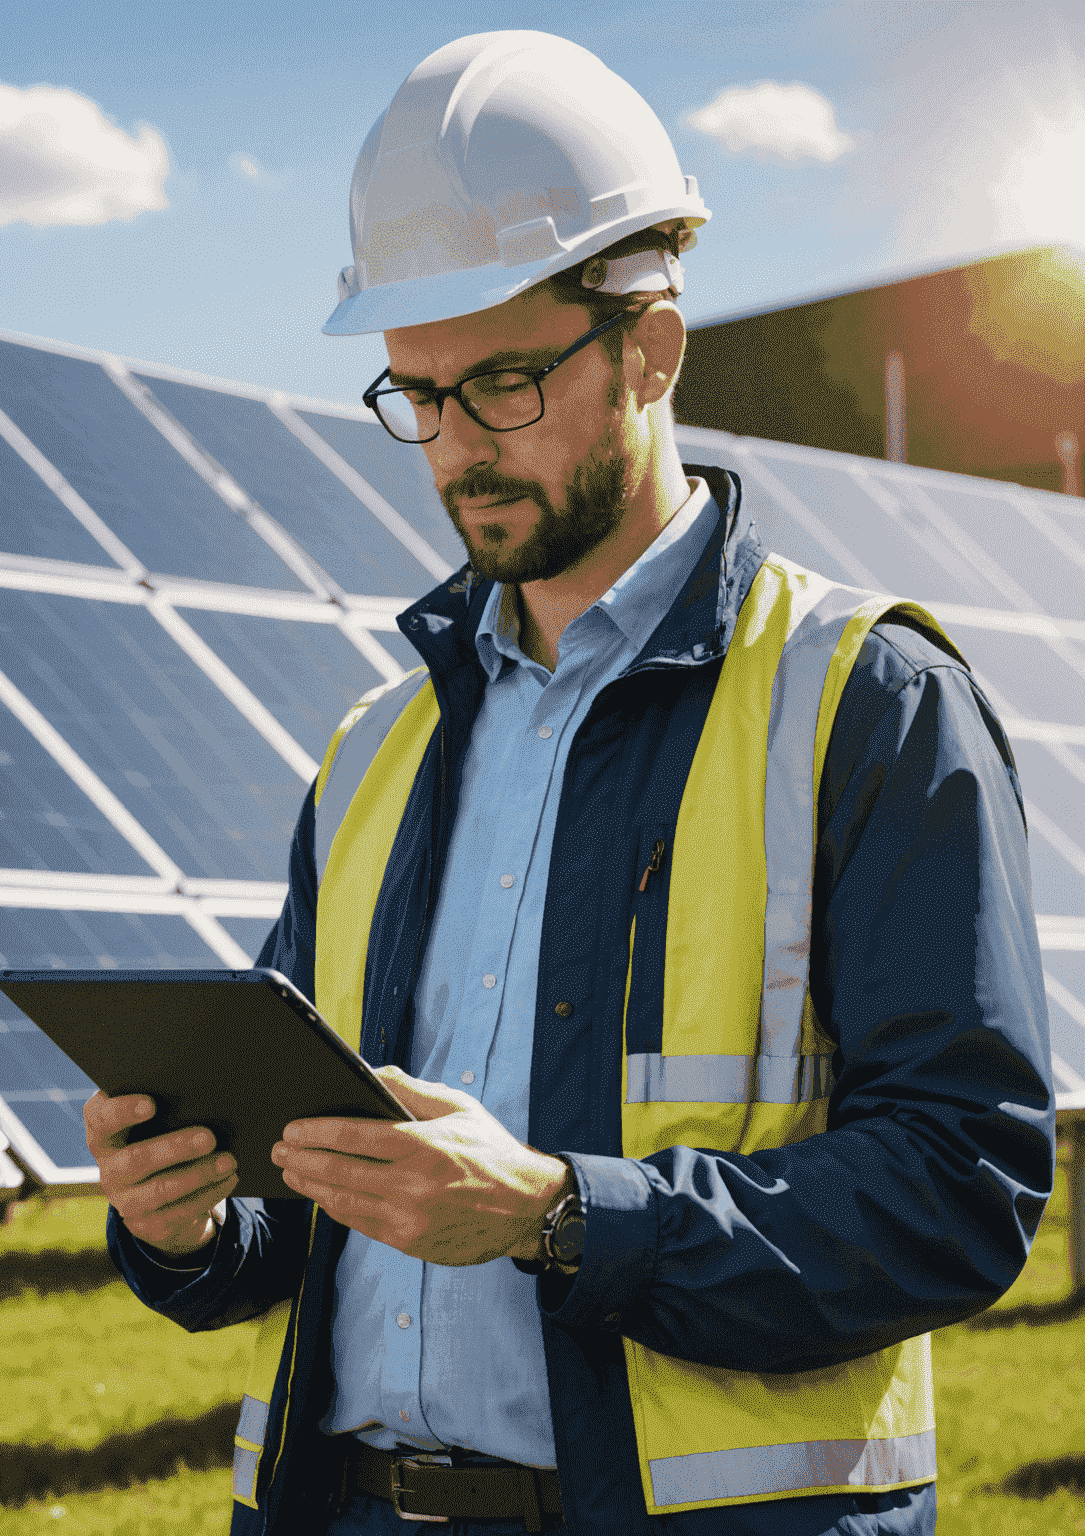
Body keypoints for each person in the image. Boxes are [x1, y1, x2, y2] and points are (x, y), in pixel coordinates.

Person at [85, 31, 1054, 1536]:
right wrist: (195, 1216)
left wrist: (555, 1218)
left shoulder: (864, 703)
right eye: (417, 395)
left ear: (652, 351)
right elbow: (310, 1188)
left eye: (509, 386)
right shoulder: (372, 750)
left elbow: (959, 1189)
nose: (459, 449)